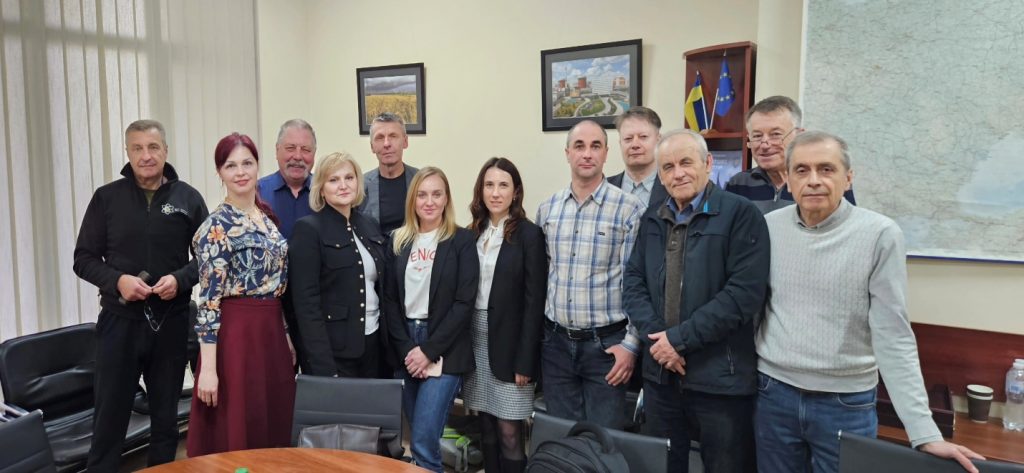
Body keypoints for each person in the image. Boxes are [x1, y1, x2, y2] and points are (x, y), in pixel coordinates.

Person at [754, 131, 983, 473]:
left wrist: (923, 430)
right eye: (801, 170)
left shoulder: (880, 234)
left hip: (844, 403)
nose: (813, 180)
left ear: (848, 178)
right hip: (773, 394)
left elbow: (893, 334)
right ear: (787, 178)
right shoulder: (768, 227)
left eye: (826, 169)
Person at [623, 129, 769, 473]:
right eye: (668, 167)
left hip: (719, 380)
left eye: (686, 163)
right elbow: (633, 283)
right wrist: (659, 342)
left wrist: (677, 340)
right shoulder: (653, 217)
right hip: (661, 377)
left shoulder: (741, 214)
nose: (678, 173)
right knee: (661, 466)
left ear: (708, 163)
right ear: (660, 175)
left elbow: (742, 295)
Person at [74, 119, 208, 472]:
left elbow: (209, 259)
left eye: (153, 147)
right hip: (119, 324)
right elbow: (83, 259)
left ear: (166, 150)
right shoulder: (106, 198)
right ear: (128, 152)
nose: (146, 156)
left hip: (171, 323)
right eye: (137, 148)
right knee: (109, 420)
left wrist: (180, 279)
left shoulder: (189, 198)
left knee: (166, 422)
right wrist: (117, 280)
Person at [188, 132, 296, 456]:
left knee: (274, 422)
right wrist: (209, 370)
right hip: (235, 338)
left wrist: (286, 335)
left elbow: (276, 285)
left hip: (271, 333)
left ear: (257, 165)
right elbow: (208, 302)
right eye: (230, 165)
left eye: (247, 163)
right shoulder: (215, 227)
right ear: (219, 172)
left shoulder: (266, 218)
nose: (240, 172)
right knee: (238, 425)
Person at [535, 119, 644, 429]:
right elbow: (542, 278)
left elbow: (637, 283)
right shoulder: (548, 209)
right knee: (561, 438)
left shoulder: (629, 209)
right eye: (579, 146)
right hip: (555, 344)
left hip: (606, 347)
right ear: (567, 153)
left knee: (604, 439)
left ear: (606, 153)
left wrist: (631, 345)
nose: (587, 154)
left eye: (595, 146)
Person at [383, 167, 479, 472]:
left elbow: (464, 303)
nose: (429, 201)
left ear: (446, 198)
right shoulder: (398, 241)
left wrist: (428, 350)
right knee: (419, 440)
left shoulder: (462, 240)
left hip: (444, 347)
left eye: (437, 194)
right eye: (422, 195)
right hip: (405, 345)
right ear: (412, 199)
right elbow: (390, 301)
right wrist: (408, 349)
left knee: (424, 442)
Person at [462, 158, 547, 473]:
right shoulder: (472, 233)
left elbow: (534, 302)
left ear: (516, 192)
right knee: (485, 426)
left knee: (509, 431)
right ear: (480, 190)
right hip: (476, 340)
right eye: (489, 185)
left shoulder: (529, 235)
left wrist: (526, 361)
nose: (495, 193)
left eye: (503, 185)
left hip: (512, 347)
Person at [289, 152, 389, 378]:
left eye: (349, 178)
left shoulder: (369, 225)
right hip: (335, 353)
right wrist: (323, 365)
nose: (343, 186)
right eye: (333, 180)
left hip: (374, 346)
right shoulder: (308, 229)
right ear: (321, 189)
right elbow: (306, 306)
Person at [725, 95, 855, 213]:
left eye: (775, 134)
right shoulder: (738, 184)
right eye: (757, 136)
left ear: (799, 135)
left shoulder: (823, 182)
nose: (764, 145)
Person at [358, 112, 419, 234]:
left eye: (393, 136)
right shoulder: (361, 185)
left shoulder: (420, 180)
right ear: (372, 146)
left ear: (405, 142)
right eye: (380, 138)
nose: (386, 144)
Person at [258, 118, 317, 239]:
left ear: (314, 153)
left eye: (306, 150)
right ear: (277, 150)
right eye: (290, 148)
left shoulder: (325, 192)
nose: (297, 156)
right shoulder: (257, 193)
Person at [605, 106, 668, 211]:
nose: (635, 145)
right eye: (628, 138)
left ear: (658, 140)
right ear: (620, 143)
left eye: (643, 137)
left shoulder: (673, 186)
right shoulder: (603, 188)